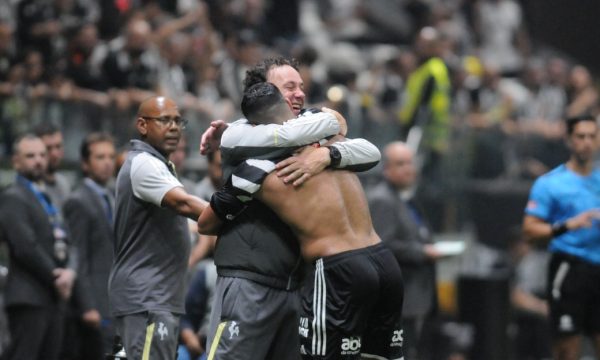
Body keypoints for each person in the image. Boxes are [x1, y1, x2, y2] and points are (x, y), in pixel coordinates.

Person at [201, 81, 404, 359]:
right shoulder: (330, 143)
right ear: (287, 107)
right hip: (383, 261)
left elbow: (205, 224)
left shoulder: (256, 168)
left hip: (337, 267)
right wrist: (327, 153)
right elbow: (371, 151)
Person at [108, 96, 208, 360]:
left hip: (156, 297)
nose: (174, 127)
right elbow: (185, 204)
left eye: (178, 121)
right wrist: (233, 211)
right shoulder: (144, 163)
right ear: (142, 125)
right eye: (165, 120)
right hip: (147, 298)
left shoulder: (159, 163)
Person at [523, 114, 600, 360]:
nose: (586, 142)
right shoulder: (550, 184)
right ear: (569, 140)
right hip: (569, 270)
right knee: (567, 351)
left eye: (592, 136)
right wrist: (567, 225)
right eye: (580, 136)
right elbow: (530, 230)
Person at [0, 134, 76, 360]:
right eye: (30, 156)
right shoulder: (13, 196)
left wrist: (68, 271)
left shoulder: (44, 196)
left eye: (42, 155)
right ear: (16, 162)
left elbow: (63, 238)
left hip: (51, 296)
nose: (39, 160)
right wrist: (55, 275)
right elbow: (25, 246)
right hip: (28, 296)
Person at [367, 141, 440, 359]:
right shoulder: (382, 199)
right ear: (387, 169)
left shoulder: (405, 197)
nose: (409, 168)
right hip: (399, 297)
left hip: (415, 296)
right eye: (401, 163)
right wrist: (423, 252)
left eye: (410, 162)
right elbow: (382, 245)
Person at [63, 132, 117, 360]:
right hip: (95, 302)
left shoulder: (113, 196)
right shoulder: (78, 201)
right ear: (85, 163)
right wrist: (87, 306)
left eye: (110, 157)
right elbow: (78, 255)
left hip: (113, 299)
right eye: (100, 157)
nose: (107, 163)